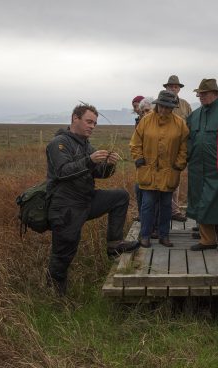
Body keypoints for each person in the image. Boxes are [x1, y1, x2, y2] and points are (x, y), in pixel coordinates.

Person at [45, 104, 139, 296]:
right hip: (66, 206)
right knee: (64, 253)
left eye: (95, 123)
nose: (92, 126)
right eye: (89, 122)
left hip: (86, 200)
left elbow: (98, 173)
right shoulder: (59, 143)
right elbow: (62, 172)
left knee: (120, 197)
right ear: (74, 119)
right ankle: (55, 293)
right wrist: (90, 160)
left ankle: (114, 245)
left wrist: (108, 165)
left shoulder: (86, 144)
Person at [130, 90, 189, 248]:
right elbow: (135, 143)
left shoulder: (180, 124)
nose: (163, 110)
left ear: (173, 107)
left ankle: (164, 236)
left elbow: (184, 147)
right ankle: (145, 236)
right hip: (148, 171)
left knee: (166, 205)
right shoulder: (146, 121)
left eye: (167, 107)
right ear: (157, 105)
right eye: (161, 106)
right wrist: (139, 159)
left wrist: (179, 163)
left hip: (169, 172)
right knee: (147, 204)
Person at [187, 78, 218, 254]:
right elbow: (188, 140)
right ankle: (207, 240)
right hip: (198, 168)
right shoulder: (194, 115)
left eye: (204, 93)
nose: (200, 96)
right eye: (199, 93)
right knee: (201, 202)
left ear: (215, 94)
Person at [163, 75, 192, 222]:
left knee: (176, 180)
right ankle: (163, 211)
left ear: (179, 89)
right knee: (160, 180)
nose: (174, 89)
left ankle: (174, 210)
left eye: (176, 86)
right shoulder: (160, 103)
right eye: (171, 86)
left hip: (180, 148)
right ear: (166, 88)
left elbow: (191, 125)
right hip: (162, 148)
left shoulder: (186, 105)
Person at [132, 97, 154, 220]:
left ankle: (154, 226)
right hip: (142, 165)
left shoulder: (158, 123)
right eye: (143, 112)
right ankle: (143, 218)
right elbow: (134, 144)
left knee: (154, 197)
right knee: (139, 190)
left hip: (156, 166)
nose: (145, 114)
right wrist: (138, 158)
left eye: (148, 110)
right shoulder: (140, 122)